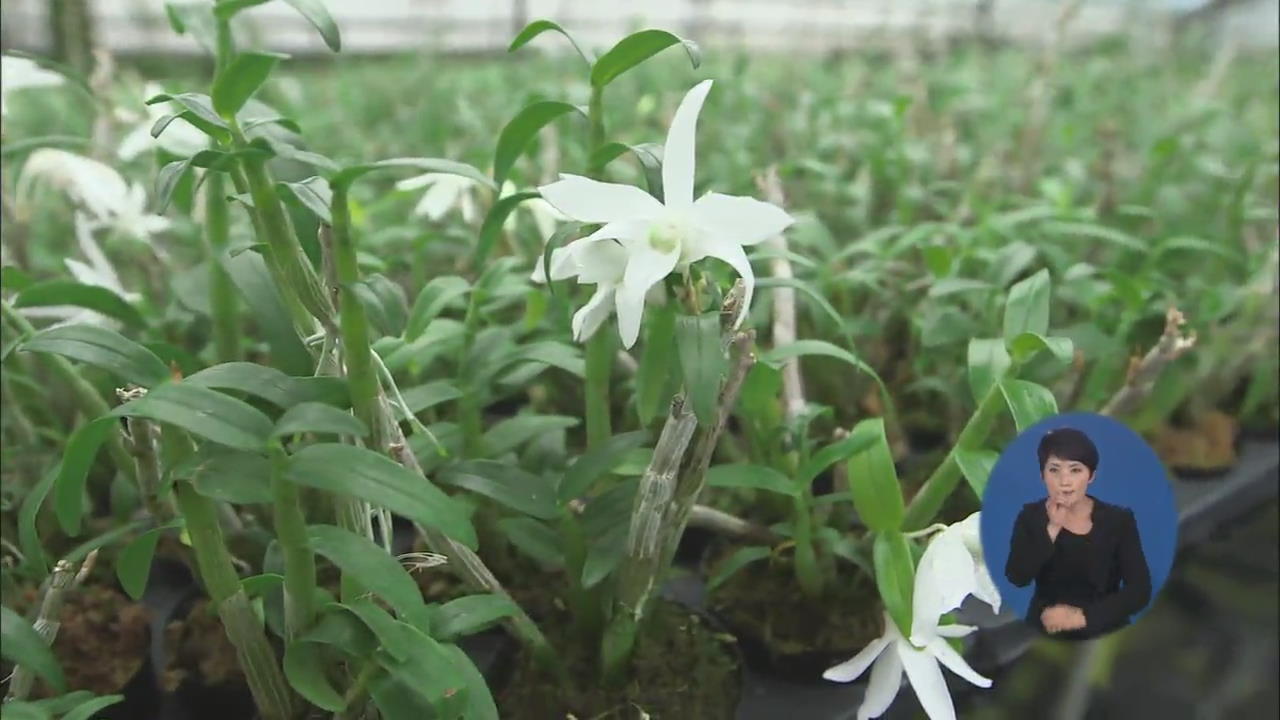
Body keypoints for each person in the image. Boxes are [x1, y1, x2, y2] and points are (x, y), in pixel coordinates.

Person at [1004, 427, 1152, 640]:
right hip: (1045, 627)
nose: (1064, 481)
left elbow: (1139, 589)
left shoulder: (1118, 521)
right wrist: (1051, 529)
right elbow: (1017, 576)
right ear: (1042, 475)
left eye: (1075, 470)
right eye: (1054, 470)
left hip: (1104, 628)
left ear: (1091, 476)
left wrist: (1084, 617)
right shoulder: (1030, 517)